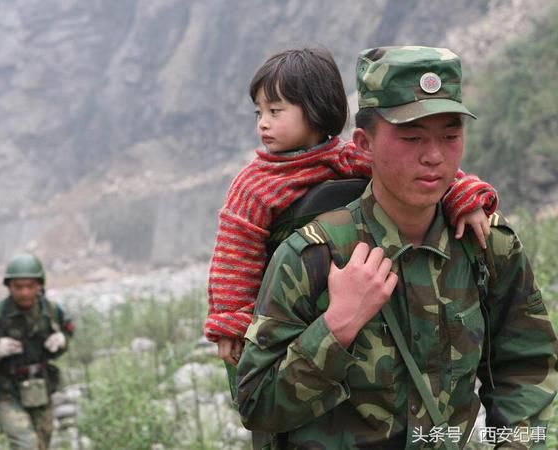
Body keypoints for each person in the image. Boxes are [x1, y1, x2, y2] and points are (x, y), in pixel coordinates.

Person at [236, 46, 558, 449]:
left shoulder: (486, 245)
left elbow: (527, 366)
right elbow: (256, 404)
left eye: (451, 136)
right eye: (411, 137)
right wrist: (337, 326)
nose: (434, 156)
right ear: (364, 145)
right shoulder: (315, 254)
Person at [205, 47, 498, 370]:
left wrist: (467, 198)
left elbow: (426, 176)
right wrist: (231, 322)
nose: (263, 124)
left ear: (316, 110)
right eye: (259, 113)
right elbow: (234, 255)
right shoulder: (254, 185)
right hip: (279, 318)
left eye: (275, 111)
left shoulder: (345, 159)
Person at [0, 253, 74, 450]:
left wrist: (62, 339)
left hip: (41, 387)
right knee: (26, 445)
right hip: (5, 390)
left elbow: (69, 328)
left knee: (42, 444)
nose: (25, 292)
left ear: (39, 286)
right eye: (18, 287)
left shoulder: (52, 311)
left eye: (30, 286)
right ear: (9, 287)